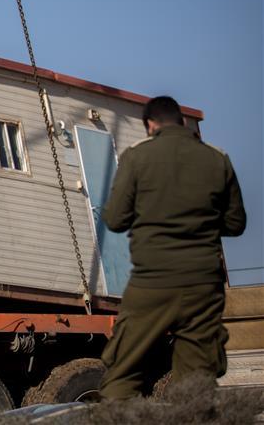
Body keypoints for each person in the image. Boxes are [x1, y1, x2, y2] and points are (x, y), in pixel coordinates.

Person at [98, 96, 246, 399]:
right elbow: (236, 224)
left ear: (150, 125)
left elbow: (114, 219)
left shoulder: (137, 157)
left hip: (153, 281)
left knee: (122, 373)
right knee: (197, 381)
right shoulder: (217, 158)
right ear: (181, 121)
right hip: (203, 285)